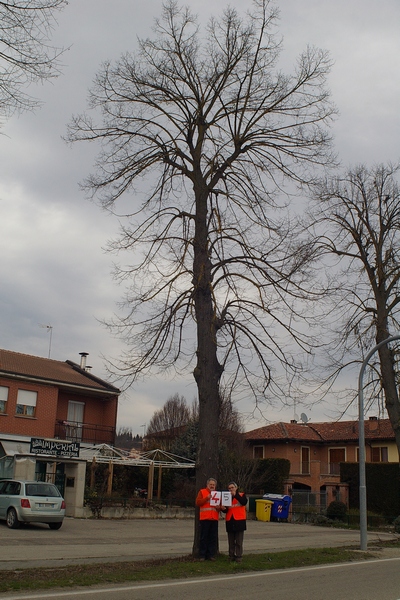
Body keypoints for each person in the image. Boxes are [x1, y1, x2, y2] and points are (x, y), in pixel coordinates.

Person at [222, 481, 247, 562]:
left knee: (239, 541)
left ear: (236, 488)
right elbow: (226, 510)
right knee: (231, 541)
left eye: (232, 488)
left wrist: (235, 495)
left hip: (239, 520)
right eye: (229, 488)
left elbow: (244, 502)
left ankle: (239, 556)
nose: (231, 490)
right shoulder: (226, 497)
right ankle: (231, 555)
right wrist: (223, 508)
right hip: (230, 520)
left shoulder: (241, 495)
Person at [195, 477, 220, 561]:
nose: (212, 486)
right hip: (205, 518)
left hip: (214, 518)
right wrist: (206, 498)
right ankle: (202, 555)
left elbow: (220, 507)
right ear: (207, 485)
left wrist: (219, 507)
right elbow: (198, 503)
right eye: (211, 484)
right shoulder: (202, 492)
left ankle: (211, 555)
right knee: (204, 537)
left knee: (212, 538)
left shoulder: (217, 494)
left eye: (213, 485)